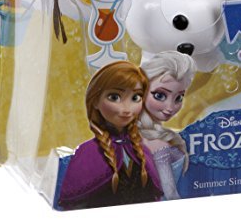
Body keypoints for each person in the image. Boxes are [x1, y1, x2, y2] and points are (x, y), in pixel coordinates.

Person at [57, 61, 162, 210]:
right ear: (95, 101)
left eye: (135, 98)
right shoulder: (87, 153)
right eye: (114, 97)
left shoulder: (141, 151)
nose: (127, 109)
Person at [139, 52, 196, 200]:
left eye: (179, 98)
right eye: (159, 95)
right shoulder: (158, 145)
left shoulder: (137, 135)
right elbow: (170, 195)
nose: (170, 107)